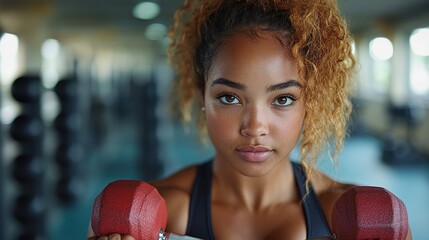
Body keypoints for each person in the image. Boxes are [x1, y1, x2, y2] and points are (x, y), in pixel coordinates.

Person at [88, 0, 412, 239]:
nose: (255, 127)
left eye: (282, 99)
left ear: (307, 103)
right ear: (203, 98)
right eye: (229, 97)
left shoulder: (360, 216)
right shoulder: (155, 212)